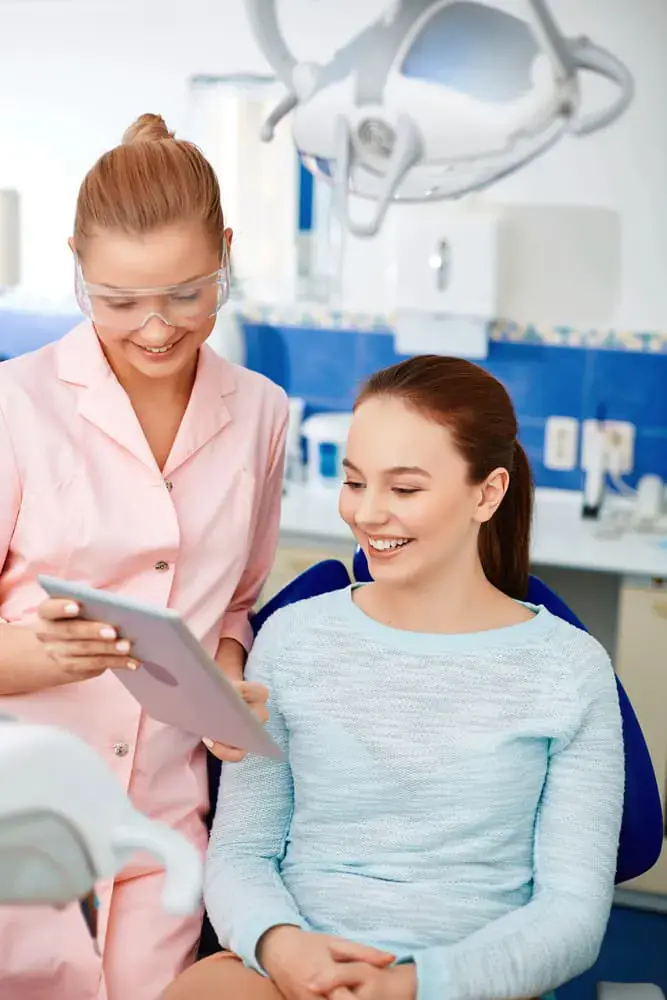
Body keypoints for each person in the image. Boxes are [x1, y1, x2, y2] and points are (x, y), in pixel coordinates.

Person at [164, 354, 624, 1000]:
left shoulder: (569, 671)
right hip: (294, 971)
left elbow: (570, 915)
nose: (367, 514)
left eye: (403, 489)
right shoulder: (293, 639)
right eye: (354, 483)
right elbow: (242, 852)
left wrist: (414, 985)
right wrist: (281, 945)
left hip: (467, 982)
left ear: (486, 493)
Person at [0, 113, 287, 999]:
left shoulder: (262, 414)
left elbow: (235, 601)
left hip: (161, 823)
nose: (156, 328)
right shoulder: (15, 406)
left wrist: (227, 683)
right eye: (119, 300)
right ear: (78, 268)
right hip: (22, 820)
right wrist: (24, 657)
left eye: (187, 294)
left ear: (226, 254)